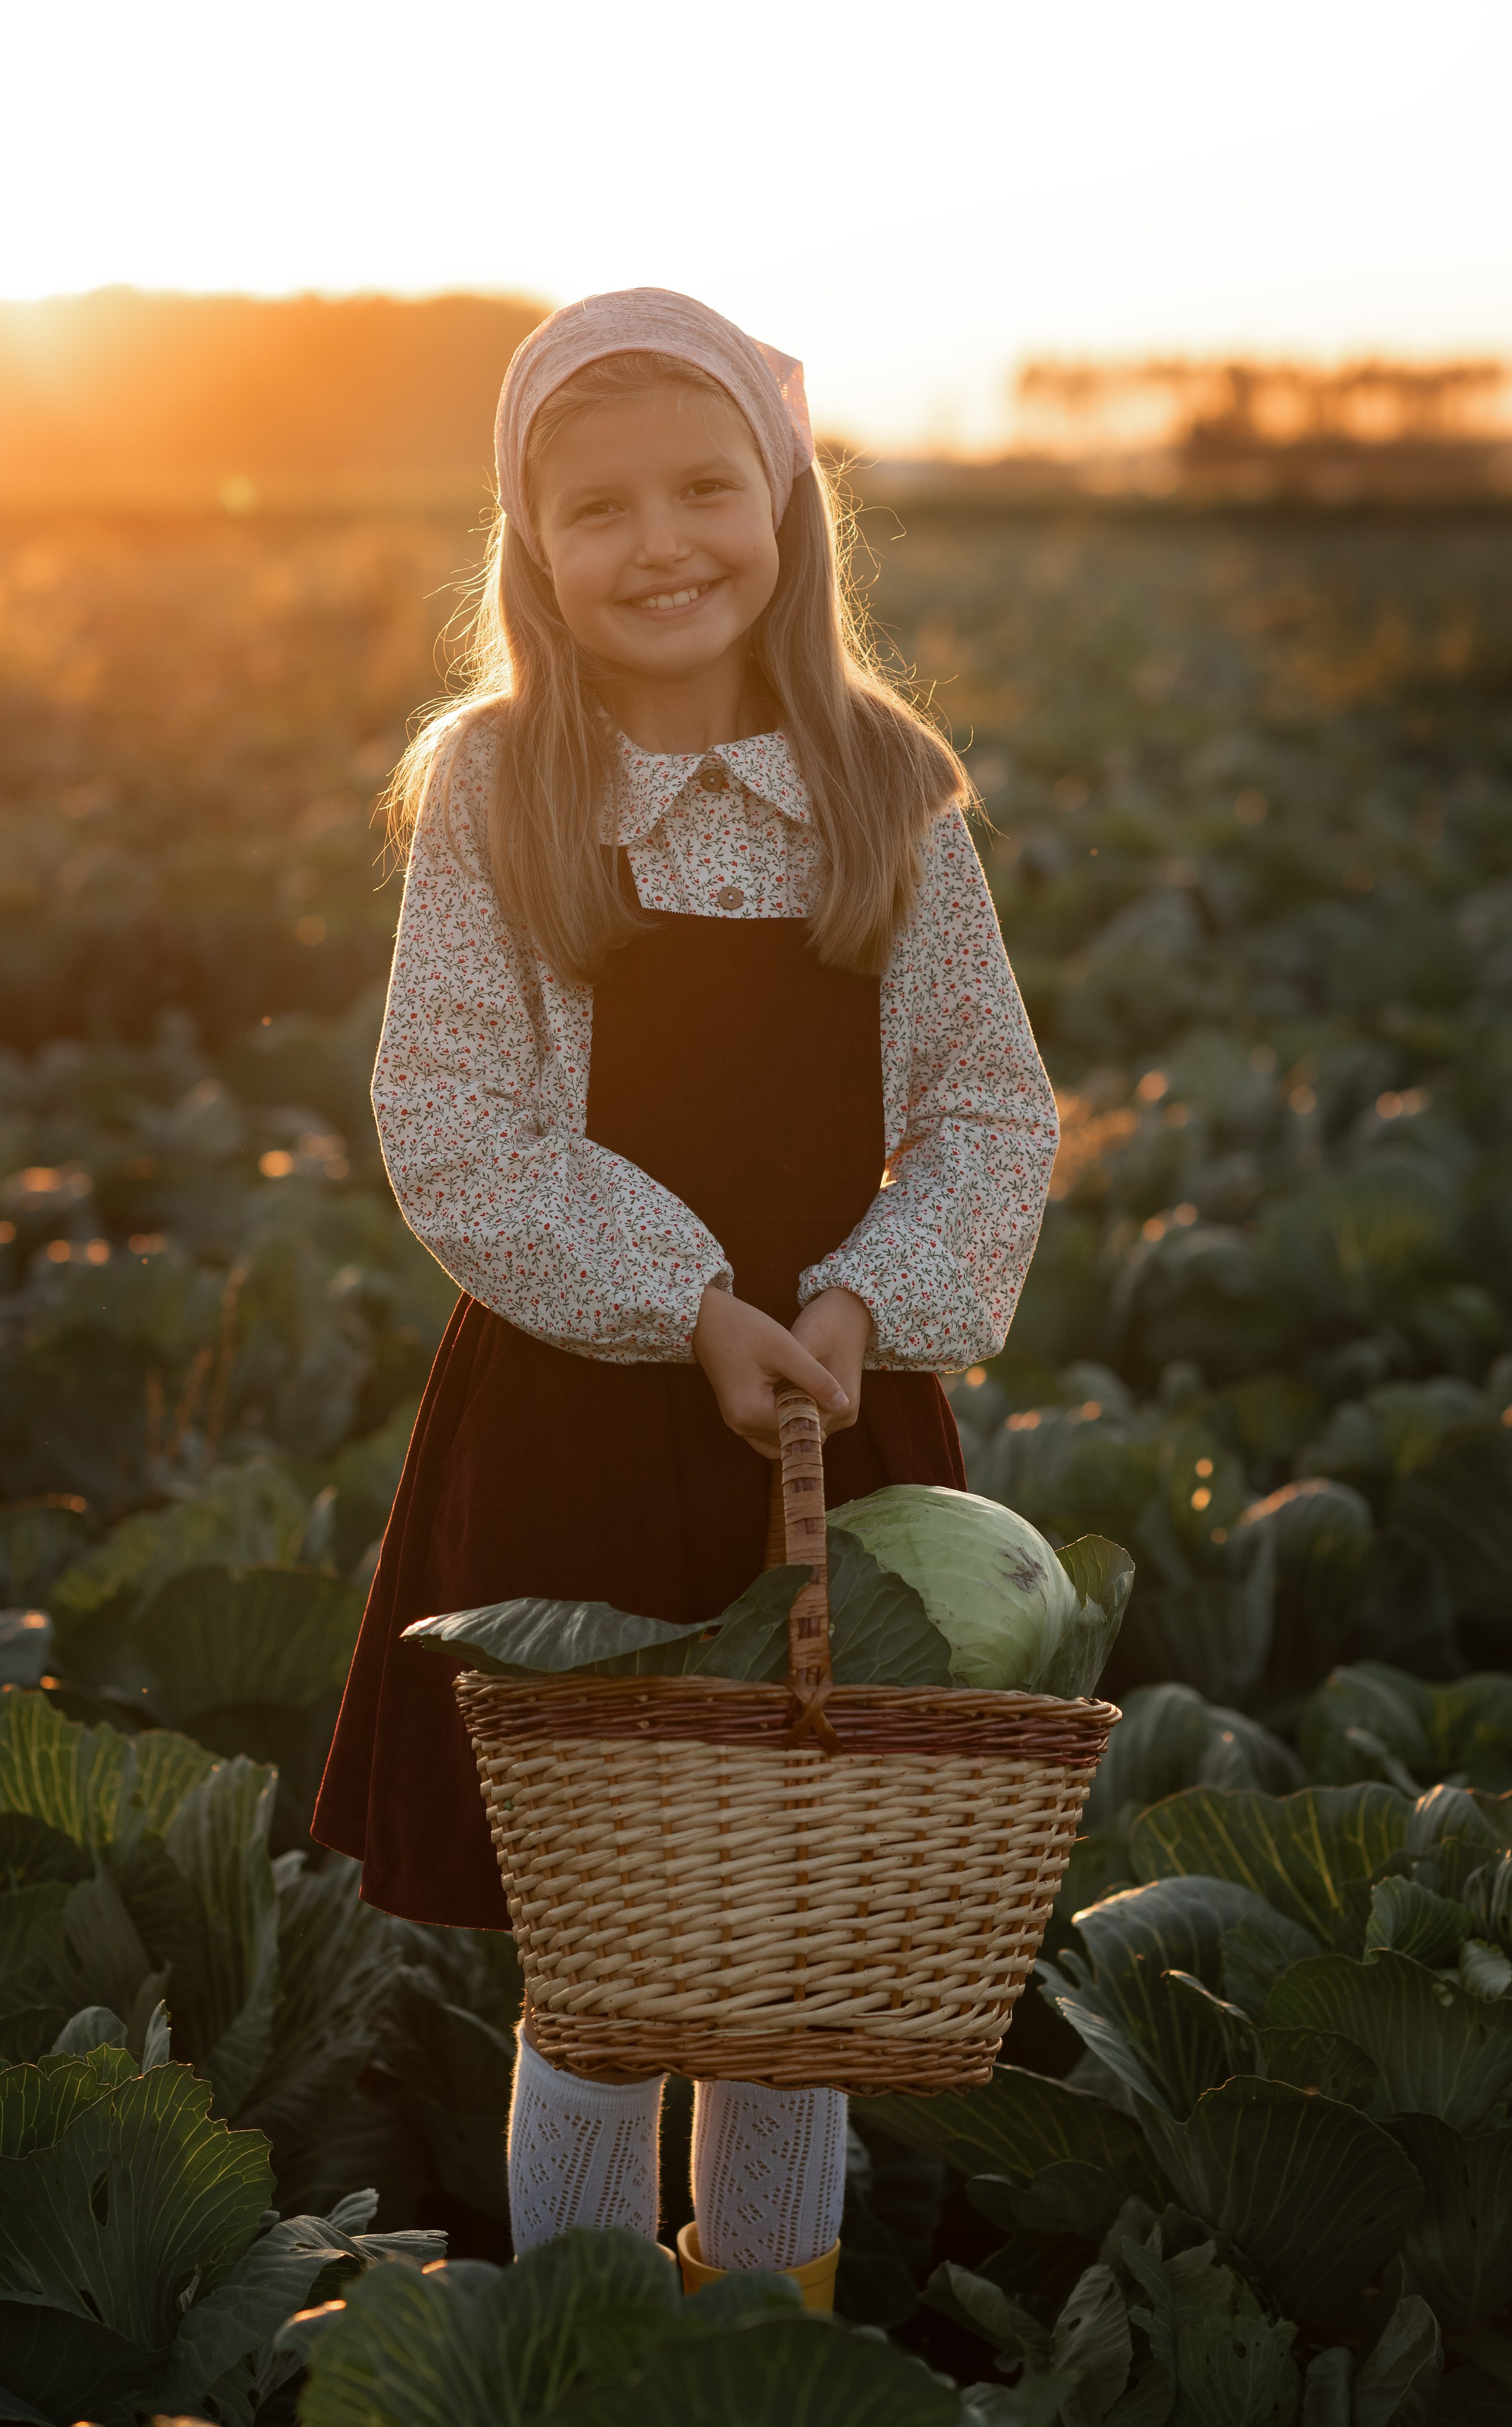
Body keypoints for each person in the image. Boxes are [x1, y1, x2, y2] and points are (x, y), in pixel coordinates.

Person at [314, 287, 1058, 2290]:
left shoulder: (885, 789)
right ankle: (590, 2340)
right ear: (531, 546)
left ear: (786, 502)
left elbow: (990, 1104)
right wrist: (688, 1305)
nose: (662, 543)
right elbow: (453, 1116)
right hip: (584, 1413)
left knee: (794, 1950)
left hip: (829, 1420)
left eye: (706, 489)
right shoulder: (500, 787)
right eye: (601, 508)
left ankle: (762, 2336)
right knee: (609, 1957)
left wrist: (857, 1305)